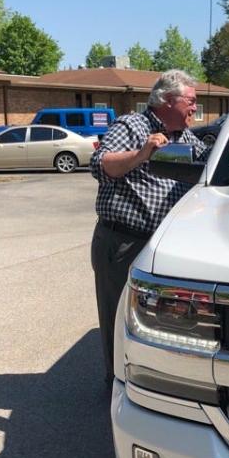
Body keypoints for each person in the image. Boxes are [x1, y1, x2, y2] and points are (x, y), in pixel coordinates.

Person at [89, 70, 208, 387]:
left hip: (166, 247)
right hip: (123, 243)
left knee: (163, 324)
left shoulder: (185, 137)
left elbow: (211, 165)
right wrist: (143, 153)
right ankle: (118, 388)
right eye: (192, 101)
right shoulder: (132, 125)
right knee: (119, 322)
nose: (195, 109)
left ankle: (158, 386)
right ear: (169, 100)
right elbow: (101, 164)